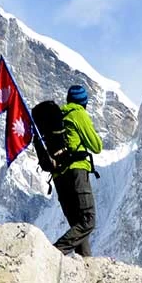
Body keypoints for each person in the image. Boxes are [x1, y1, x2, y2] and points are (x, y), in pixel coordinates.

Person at [52, 84, 102, 257]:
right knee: (88, 221)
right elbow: (97, 146)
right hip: (76, 172)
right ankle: (54, 252)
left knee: (77, 224)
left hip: (58, 176)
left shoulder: (59, 116)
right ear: (84, 103)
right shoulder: (78, 114)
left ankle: (86, 265)